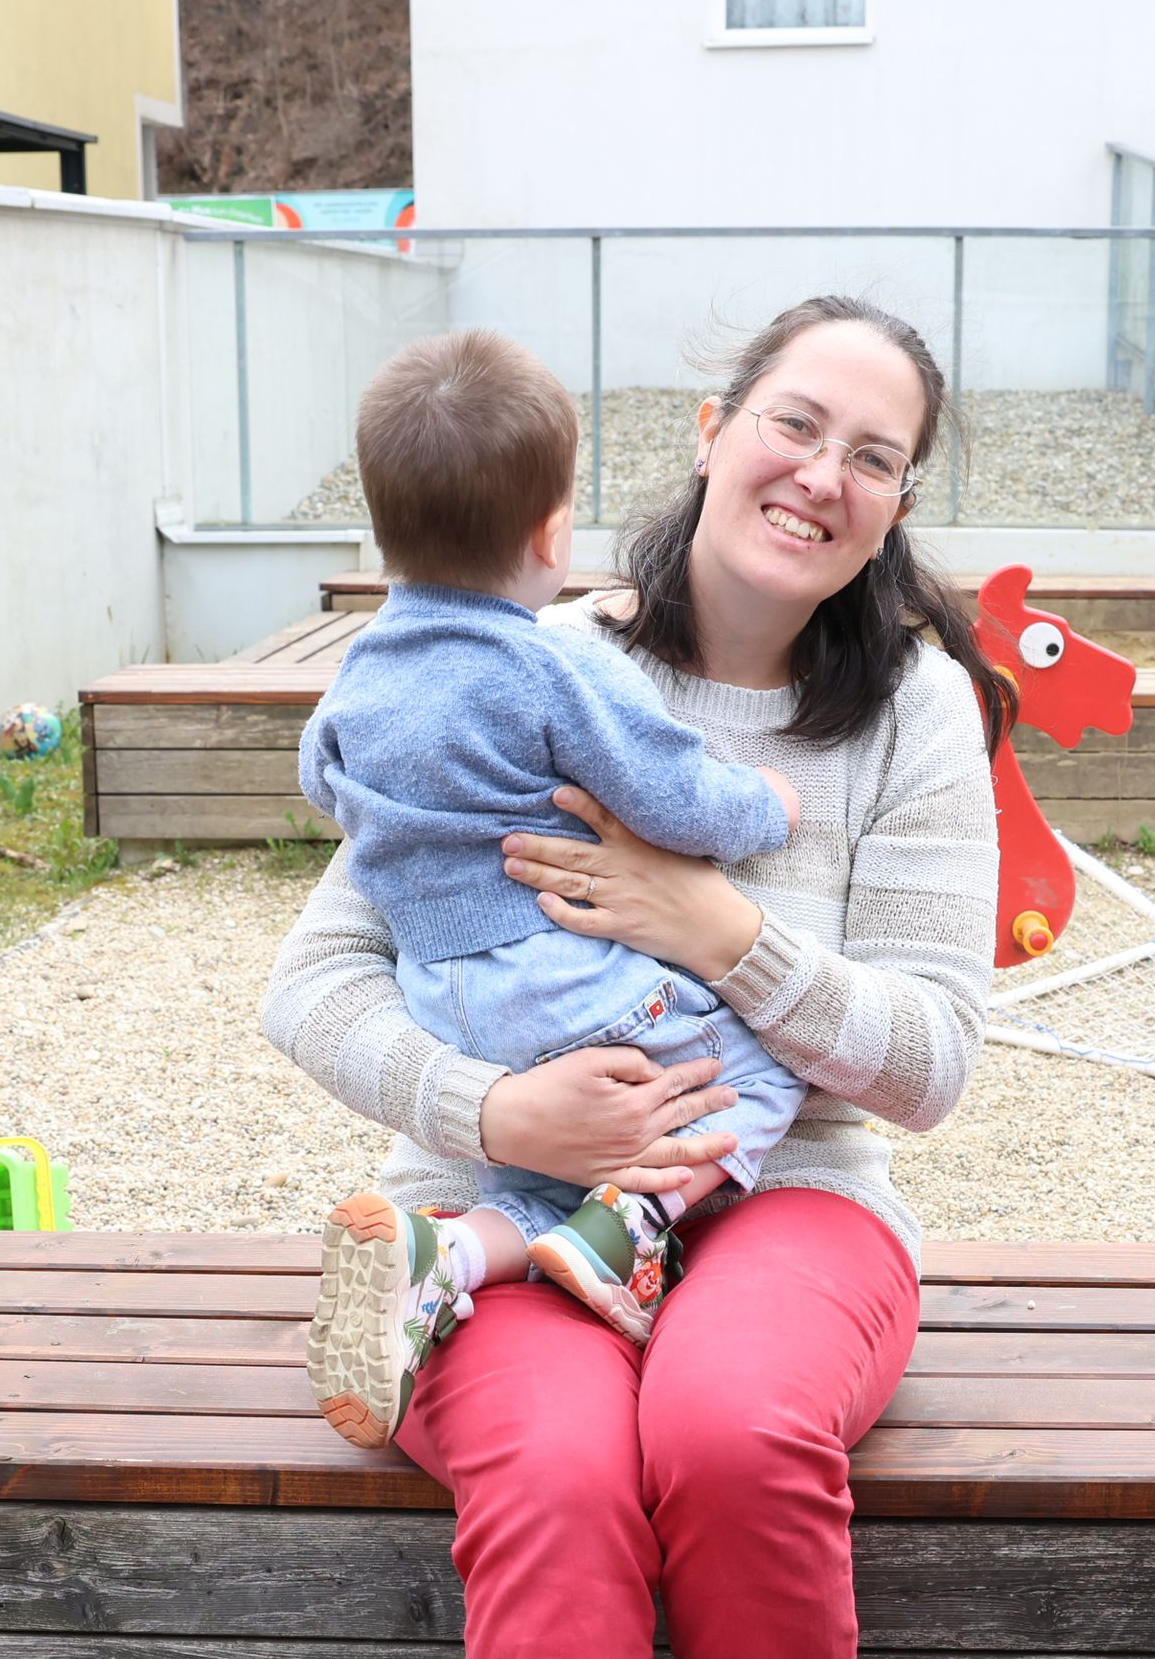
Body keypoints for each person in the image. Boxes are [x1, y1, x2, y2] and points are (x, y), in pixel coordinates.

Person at [261, 297, 1004, 1659]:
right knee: (564, 1472)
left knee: (732, 1429)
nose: (823, 474)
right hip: (513, 1187)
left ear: (899, 501)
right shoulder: (530, 654)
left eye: (874, 452)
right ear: (710, 427)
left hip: (796, 1191)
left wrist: (723, 933)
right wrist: (500, 1107)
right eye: (796, 421)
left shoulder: (913, 714)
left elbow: (935, 1059)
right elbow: (314, 980)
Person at [298, 328, 811, 1439]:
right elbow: (671, 794)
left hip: (442, 998)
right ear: (548, 530)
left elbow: (322, 782)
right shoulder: (549, 659)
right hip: (558, 972)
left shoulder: (361, 667)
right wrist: (768, 805)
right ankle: (634, 1225)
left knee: (541, 1171)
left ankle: (444, 1253)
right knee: (760, 1066)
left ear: (383, 530)